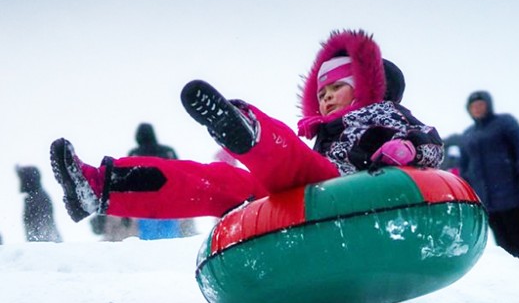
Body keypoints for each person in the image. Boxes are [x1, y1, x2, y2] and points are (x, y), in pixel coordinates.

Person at [49, 30, 443, 226]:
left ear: (368, 87)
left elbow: (430, 143)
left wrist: (406, 150)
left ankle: (248, 130)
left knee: (294, 158)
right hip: (312, 202)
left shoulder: (383, 114)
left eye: (338, 87)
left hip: (358, 192)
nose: (325, 97)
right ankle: (98, 188)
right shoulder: (324, 134)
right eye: (321, 90)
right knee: (220, 181)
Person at [459, 90, 519, 263]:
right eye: (474, 106)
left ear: (488, 105)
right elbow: (464, 165)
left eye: (481, 104)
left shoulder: (504, 123)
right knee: (501, 237)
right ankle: (512, 268)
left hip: (510, 191)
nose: (478, 108)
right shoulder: (467, 135)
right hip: (485, 196)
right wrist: (466, 187)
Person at [15, 165, 62, 242]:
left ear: (28, 181)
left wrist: (36, 250)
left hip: (46, 249)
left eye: (21, 179)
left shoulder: (37, 200)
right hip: (45, 247)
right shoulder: (35, 198)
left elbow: (43, 233)